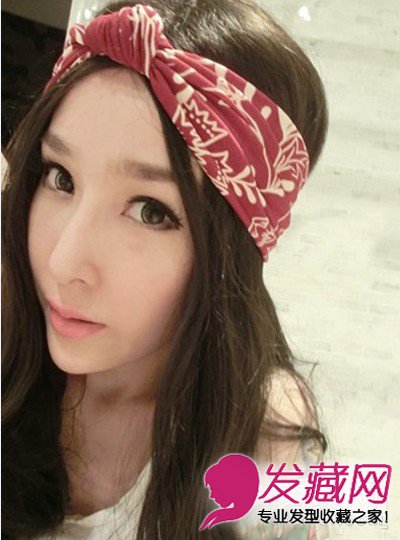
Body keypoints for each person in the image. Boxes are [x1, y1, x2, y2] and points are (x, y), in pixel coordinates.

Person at [1, 1, 330, 538]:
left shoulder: (271, 451)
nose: (63, 263)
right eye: (61, 177)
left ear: (232, 248)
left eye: (150, 212)